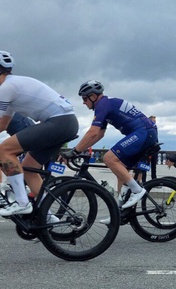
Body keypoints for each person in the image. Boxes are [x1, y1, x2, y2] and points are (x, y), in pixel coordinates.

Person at [60, 80, 158, 220]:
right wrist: (81, 149)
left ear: (93, 96)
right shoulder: (105, 104)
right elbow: (100, 133)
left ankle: (137, 190)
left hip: (144, 132)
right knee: (120, 169)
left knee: (109, 158)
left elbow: (93, 132)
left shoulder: (102, 104)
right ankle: (119, 212)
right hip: (145, 132)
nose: (83, 102)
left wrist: (74, 151)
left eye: (84, 98)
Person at [0, 50, 79, 219]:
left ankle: (22, 203)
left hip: (59, 121)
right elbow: (3, 125)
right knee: (29, 170)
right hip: (64, 122)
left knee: (4, 150)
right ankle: (49, 219)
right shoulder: (12, 89)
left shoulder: (7, 87)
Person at [0, 113, 35, 183]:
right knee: (3, 160)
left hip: (25, 132)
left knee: (2, 155)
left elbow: (2, 126)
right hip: (28, 130)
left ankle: (15, 184)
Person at [142, 115, 158, 183]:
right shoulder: (146, 128)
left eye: (155, 121)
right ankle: (143, 181)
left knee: (154, 166)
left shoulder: (155, 127)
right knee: (145, 165)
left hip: (154, 148)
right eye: (153, 121)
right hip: (148, 150)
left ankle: (154, 180)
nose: (154, 122)